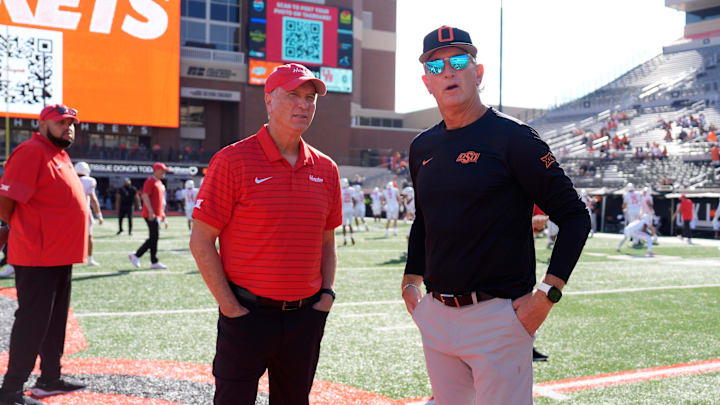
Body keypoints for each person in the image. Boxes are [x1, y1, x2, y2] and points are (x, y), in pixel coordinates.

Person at [401, 26, 590, 405]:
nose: (448, 72)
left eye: (458, 61)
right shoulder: (422, 146)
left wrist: (547, 295)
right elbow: (425, 219)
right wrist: (410, 280)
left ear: (478, 73)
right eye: (436, 67)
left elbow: (574, 216)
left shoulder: (514, 138)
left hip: (498, 316)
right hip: (437, 314)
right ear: (427, 83)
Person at [189, 63, 340, 405]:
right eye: (293, 95)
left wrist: (326, 295)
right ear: (269, 101)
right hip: (246, 315)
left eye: (310, 97)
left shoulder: (327, 169)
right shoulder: (232, 160)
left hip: (305, 318)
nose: (304, 105)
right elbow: (201, 240)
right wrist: (230, 307)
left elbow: (327, 241)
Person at [0, 104, 88, 405]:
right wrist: (21, 230)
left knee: (54, 321)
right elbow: (6, 200)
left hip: (60, 255)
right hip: (37, 254)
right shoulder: (31, 151)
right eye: (61, 122)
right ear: (43, 124)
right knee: (33, 322)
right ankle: (10, 391)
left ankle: (50, 378)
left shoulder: (59, 155)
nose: (69, 127)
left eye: (73, 123)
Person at [128, 162, 169, 269]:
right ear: (156, 170)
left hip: (157, 214)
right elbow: (145, 196)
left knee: (154, 238)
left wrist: (162, 213)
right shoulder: (150, 181)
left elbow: (160, 201)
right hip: (151, 214)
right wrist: (151, 212)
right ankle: (137, 256)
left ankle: (152, 261)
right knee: (153, 237)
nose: (164, 172)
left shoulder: (159, 182)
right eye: (162, 170)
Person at [74, 161, 104, 266]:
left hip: (69, 212)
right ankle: (90, 259)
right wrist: (99, 215)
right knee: (89, 236)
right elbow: (93, 199)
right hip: (84, 212)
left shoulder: (71, 178)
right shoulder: (89, 181)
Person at [340, 178, 356, 245]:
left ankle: (345, 239)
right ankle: (352, 237)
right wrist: (353, 207)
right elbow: (354, 199)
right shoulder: (351, 189)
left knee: (344, 225)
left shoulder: (341, 190)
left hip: (344, 209)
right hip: (350, 208)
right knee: (350, 224)